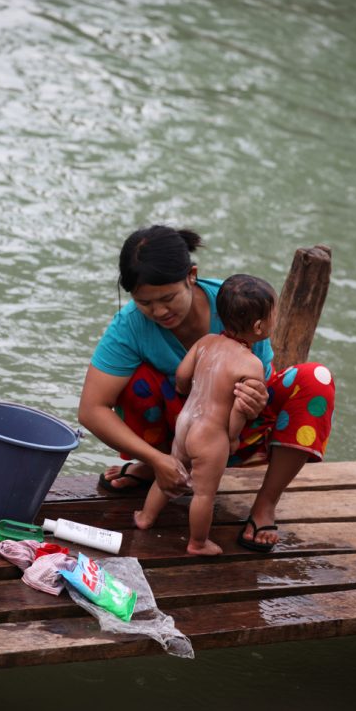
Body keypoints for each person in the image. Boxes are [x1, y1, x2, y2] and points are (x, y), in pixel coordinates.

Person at [78, 225, 335, 552]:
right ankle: (153, 465)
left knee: (315, 379)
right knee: (135, 377)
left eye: (167, 298)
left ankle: (265, 505)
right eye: (145, 303)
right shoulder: (130, 325)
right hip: (188, 437)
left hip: (230, 436)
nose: (158, 312)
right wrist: (157, 458)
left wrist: (256, 401)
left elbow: (254, 392)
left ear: (192, 276)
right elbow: (91, 409)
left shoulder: (237, 306)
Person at [134, 274, 277, 556]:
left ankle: (145, 517)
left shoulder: (206, 342)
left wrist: (185, 388)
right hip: (211, 434)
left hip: (186, 423)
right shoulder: (251, 363)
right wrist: (233, 437)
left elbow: (182, 378)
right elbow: (239, 408)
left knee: (171, 474)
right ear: (259, 326)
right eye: (276, 315)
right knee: (203, 493)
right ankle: (198, 542)